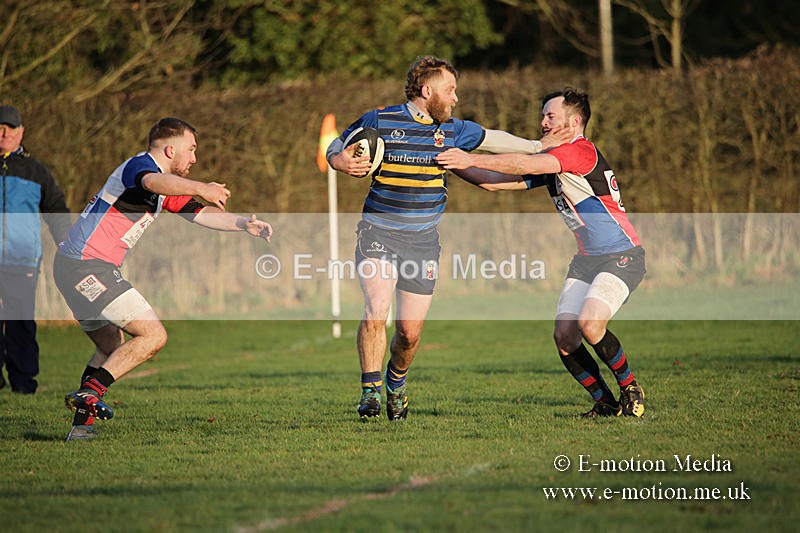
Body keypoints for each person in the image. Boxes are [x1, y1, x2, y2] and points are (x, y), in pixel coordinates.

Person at [326, 56, 568, 420]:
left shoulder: (453, 130)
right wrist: (339, 160)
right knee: (377, 309)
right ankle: (370, 392)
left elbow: (493, 140)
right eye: (450, 90)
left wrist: (538, 146)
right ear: (428, 91)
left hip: (423, 243)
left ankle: (396, 381)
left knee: (408, 333)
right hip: (378, 233)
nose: (455, 98)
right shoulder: (380, 120)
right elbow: (336, 146)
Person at [54, 117, 273, 441]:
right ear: (170, 149)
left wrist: (243, 224)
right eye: (191, 149)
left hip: (76, 266)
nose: (194, 159)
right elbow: (151, 182)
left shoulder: (166, 186)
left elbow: (199, 213)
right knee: (153, 336)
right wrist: (201, 186)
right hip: (86, 266)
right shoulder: (138, 168)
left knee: (110, 344)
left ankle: (82, 427)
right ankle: (91, 394)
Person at [436, 87, 647, 418]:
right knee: (565, 338)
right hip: (586, 261)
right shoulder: (553, 164)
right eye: (543, 116)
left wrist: (470, 156)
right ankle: (604, 401)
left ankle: (630, 387)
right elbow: (492, 182)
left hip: (622, 256)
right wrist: (448, 161)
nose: (543, 122)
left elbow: (522, 161)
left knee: (590, 325)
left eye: (551, 116)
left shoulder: (580, 151)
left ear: (574, 121)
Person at [0, 104, 70, 394]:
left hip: (22, 261)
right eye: (0, 128)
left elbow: (56, 212)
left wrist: (68, 247)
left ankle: (24, 383)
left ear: (21, 132)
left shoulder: (36, 171)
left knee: (21, 324)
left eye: (10, 128)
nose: (4, 134)